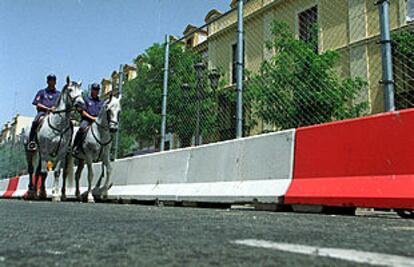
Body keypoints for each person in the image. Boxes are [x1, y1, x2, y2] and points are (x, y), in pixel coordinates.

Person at [27, 74, 60, 151]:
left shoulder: (59, 94)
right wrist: (48, 108)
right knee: (35, 121)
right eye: (50, 80)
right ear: (47, 81)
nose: (52, 82)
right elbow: (37, 103)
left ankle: (65, 144)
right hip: (43, 113)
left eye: (53, 80)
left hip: (55, 114)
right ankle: (32, 141)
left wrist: (55, 108)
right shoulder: (42, 92)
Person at [72, 83, 104, 154]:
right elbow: (82, 112)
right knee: (81, 128)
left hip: (97, 122)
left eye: (97, 90)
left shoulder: (101, 102)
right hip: (87, 120)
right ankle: (76, 146)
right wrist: (92, 118)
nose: (96, 91)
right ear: (91, 90)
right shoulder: (86, 99)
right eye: (95, 89)